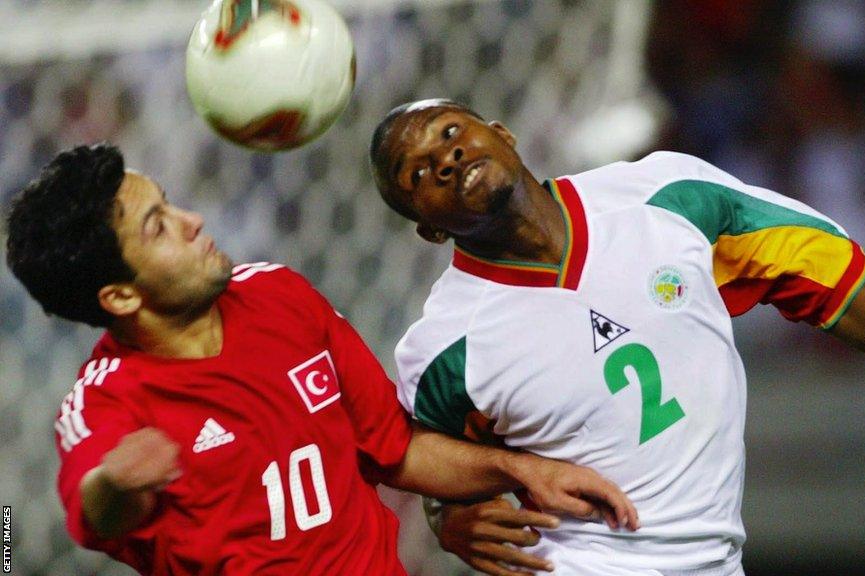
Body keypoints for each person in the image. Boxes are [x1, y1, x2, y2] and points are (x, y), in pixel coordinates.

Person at [369, 99, 865, 576]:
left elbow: (838, 297)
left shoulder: (669, 196)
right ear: (429, 229)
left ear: (502, 133)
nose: (444, 158)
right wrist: (448, 520)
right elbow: (429, 462)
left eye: (450, 133)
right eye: (418, 172)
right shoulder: (446, 346)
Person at [3, 144, 640, 576]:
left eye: (169, 203)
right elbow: (97, 507)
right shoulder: (106, 402)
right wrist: (118, 483)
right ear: (119, 295)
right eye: (158, 226)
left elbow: (395, 450)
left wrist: (523, 470)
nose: (193, 220)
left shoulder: (279, 295)